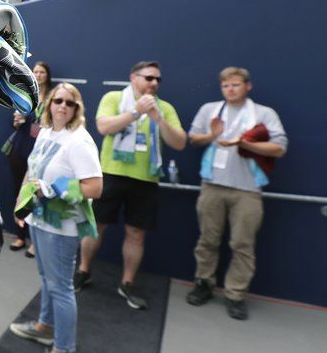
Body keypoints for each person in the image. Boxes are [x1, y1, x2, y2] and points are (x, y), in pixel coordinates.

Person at [76, 61, 187, 309]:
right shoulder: (114, 97)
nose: (154, 83)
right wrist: (136, 112)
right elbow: (103, 126)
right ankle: (83, 270)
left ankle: (127, 282)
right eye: (149, 78)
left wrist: (158, 119)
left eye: (158, 79)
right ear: (133, 78)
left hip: (146, 179)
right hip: (111, 174)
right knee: (95, 227)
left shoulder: (164, 107)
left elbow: (179, 142)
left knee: (136, 234)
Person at [8, 83, 103, 353]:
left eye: (69, 103)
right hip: (39, 219)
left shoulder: (79, 141)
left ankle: (63, 347)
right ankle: (44, 326)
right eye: (58, 100)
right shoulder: (46, 131)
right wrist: (21, 202)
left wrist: (54, 189)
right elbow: (33, 169)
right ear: (49, 103)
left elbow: (95, 188)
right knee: (47, 278)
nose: (62, 106)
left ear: (77, 108)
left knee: (61, 287)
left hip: (61, 228)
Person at [187, 67, 287, 320]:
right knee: (207, 239)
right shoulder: (210, 110)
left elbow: (279, 147)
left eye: (236, 85)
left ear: (248, 86)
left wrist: (244, 144)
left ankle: (235, 294)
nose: (230, 90)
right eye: (226, 86)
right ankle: (204, 283)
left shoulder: (264, 114)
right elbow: (193, 138)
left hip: (248, 190)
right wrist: (212, 135)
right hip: (212, 185)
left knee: (242, 244)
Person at [3, 61, 52, 256]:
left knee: (37, 193)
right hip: (21, 147)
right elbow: (16, 122)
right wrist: (18, 121)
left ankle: (34, 240)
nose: (38, 75)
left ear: (48, 75)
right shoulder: (25, 93)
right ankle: (20, 235)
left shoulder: (54, 98)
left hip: (41, 150)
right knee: (19, 193)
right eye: (36, 71)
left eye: (42, 72)